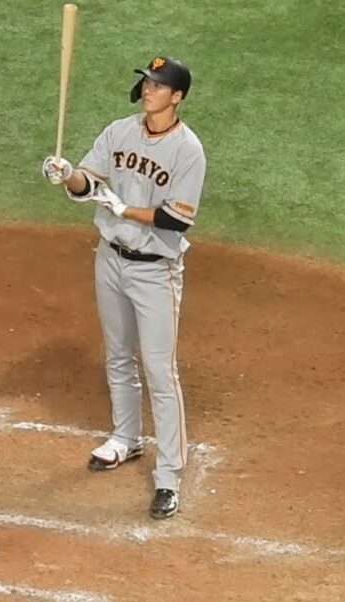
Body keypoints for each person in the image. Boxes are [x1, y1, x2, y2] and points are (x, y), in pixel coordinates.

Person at [40, 54, 206, 520]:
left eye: (158, 85)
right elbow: (88, 184)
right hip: (110, 259)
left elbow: (176, 218)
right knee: (117, 354)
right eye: (147, 82)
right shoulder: (119, 132)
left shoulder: (187, 150)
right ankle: (125, 438)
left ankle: (169, 476)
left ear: (177, 96)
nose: (148, 89)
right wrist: (67, 173)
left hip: (156, 271)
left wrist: (124, 209)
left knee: (159, 370)